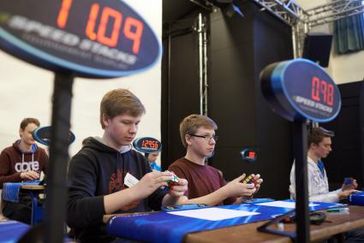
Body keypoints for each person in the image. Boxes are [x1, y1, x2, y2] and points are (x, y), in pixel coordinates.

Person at [66, 89, 188, 243]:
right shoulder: (85, 159)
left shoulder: (138, 159)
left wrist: (172, 196)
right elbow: (75, 213)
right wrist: (135, 192)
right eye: (126, 122)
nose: (133, 130)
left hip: (139, 235)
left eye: (137, 123)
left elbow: (156, 201)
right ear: (105, 120)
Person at [168, 114, 263, 206]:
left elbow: (232, 204)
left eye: (213, 136)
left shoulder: (215, 173)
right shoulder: (177, 168)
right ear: (188, 139)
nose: (213, 142)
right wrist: (227, 191)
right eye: (206, 136)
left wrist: (246, 195)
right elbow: (181, 205)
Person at [289, 126, 357, 203]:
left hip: (321, 211)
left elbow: (324, 195)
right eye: (326, 145)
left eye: (330, 145)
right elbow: (305, 201)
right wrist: (338, 196)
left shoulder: (319, 164)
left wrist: (342, 190)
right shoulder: (301, 166)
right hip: (309, 213)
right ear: (313, 145)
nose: (330, 149)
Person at [0, 117, 49, 224]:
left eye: (36, 133)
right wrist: (20, 175)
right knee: (30, 214)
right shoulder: (7, 153)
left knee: (51, 212)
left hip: (34, 198)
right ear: (21, 132)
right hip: (12, 201)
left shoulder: (41, 153)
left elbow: (52, 176)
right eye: (30, 132)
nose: (33, 136)